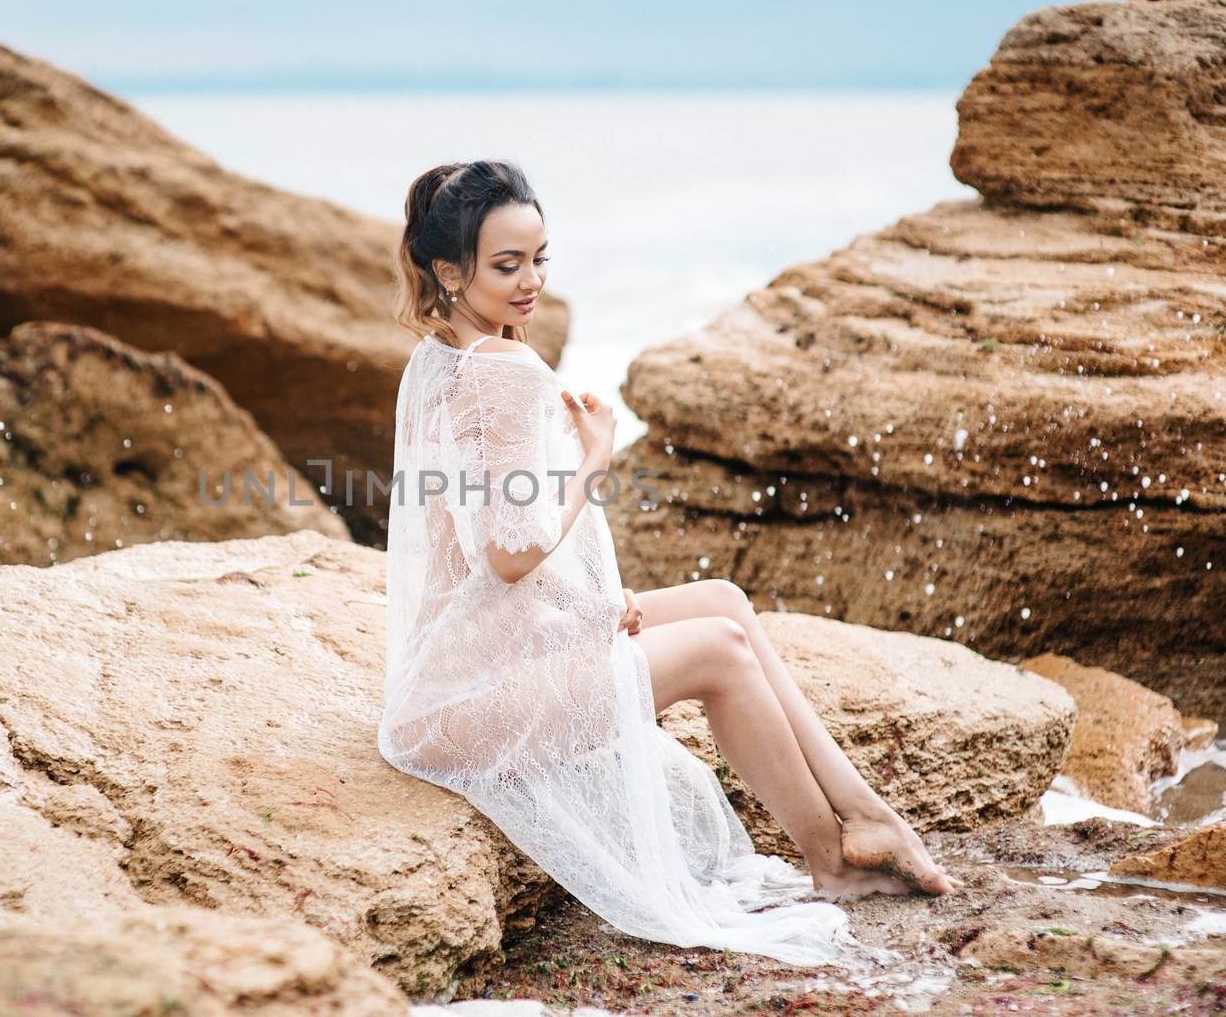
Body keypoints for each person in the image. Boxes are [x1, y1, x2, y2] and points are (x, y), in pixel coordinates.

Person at [376, 159, 961, 970]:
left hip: (460, 665)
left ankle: (864, 814)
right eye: (506, 265)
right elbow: (510, 554)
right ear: (450, 270)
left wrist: (583, 610)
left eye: (540, 258)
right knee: (718, 653)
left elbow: (465, 554)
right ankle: (832, 858)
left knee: (723, 599)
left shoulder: (444, 356)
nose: (531, 281)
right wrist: (595, 456)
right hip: (465, 699)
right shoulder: (500, 374)